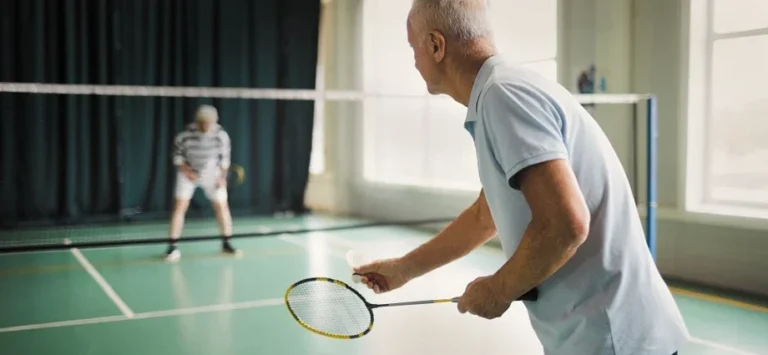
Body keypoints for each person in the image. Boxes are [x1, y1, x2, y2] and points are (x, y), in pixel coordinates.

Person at [352, 1, 689, 354]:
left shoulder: (503, 96)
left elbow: (566, 224)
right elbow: (487, 214)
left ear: (436, 45)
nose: (414, 60)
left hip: (612, 339)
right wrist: (405, 269)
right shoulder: (501, 92)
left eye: (413, 47)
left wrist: (499, 289)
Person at [165, 104, 240, 261]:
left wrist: (221, 178)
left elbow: (225, 160)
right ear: (197, 122)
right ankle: (172, 247)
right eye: (203, 122)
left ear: (214, 121)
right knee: (180, 207)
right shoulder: (184, 135)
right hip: (189, 171)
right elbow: (177, 158)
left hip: (212, 172)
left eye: (209, 122)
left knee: (222, 206)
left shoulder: (221, 135)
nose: (206, 125)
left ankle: (227, 242)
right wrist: (188, 172)